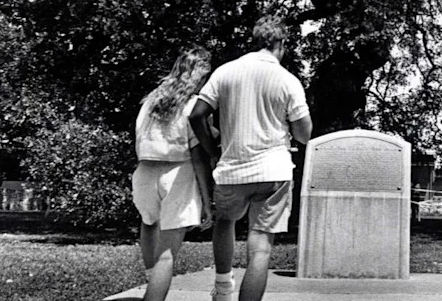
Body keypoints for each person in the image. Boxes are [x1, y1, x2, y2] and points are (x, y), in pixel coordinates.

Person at [190, 15, 312, 301]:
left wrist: (212, 152)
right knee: (260, 248)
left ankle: (222, 289)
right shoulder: (287, 80)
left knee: (225, 223)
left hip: (232, 168)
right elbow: (304, 134)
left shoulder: (225, 72)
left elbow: (196, 114)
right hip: (274, 171)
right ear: (280, 43)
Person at [132, 48, 214, 301]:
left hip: (144, 171)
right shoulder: (193, 107)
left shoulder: (150, 103)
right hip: (178, 173)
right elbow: (199, 158)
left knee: (148, 223)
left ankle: (151, 278)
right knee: (167, 253)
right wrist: (206, 199)